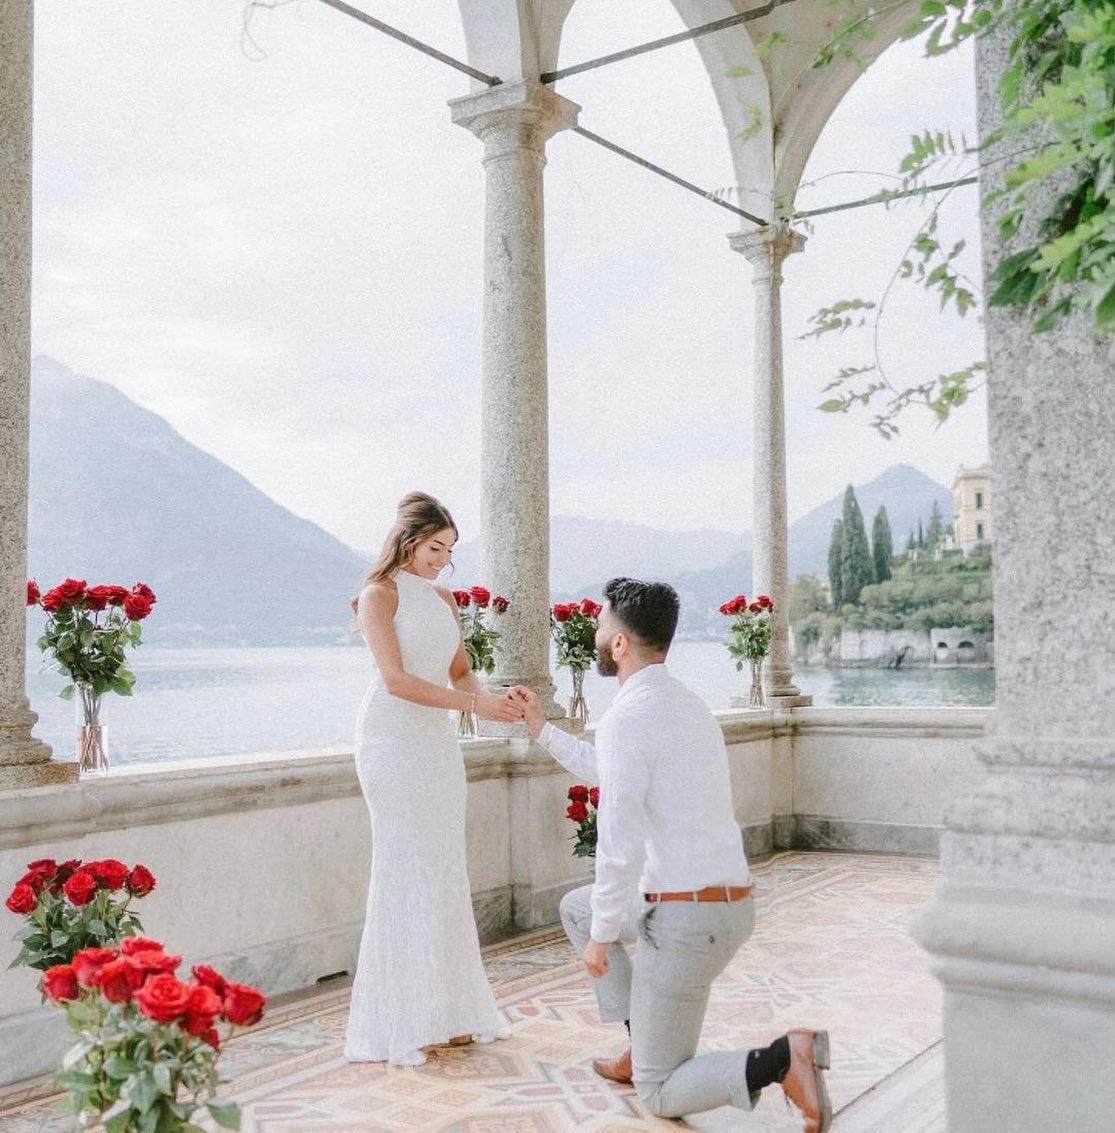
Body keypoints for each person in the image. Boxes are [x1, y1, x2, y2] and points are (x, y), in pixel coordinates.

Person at [510, 578, 831, 1132]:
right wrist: (542, 731)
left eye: (603, 623)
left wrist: (604, 935)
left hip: (686, 918)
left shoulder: (629, 719)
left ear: (619, 645)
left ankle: (784, 1059)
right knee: (578, 906)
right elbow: (614, 773)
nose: (596, 629)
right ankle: (645, 1041)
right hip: (723, 903)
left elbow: (620, 841)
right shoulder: (684, 706)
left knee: (659, 1092)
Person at [344, 491, 522, 1067]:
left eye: (449, 550)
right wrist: (473, 709)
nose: (442, 560)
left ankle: (451, 1012)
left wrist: (489, 702)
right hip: (391, 742)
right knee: (405, 866)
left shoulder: (444, 598)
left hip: (437, 746)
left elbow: (461, 670)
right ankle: (408, 1020)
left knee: (444, 867)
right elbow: (395, 680)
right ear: (407, 541)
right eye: (434, 547)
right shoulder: (378, 595)